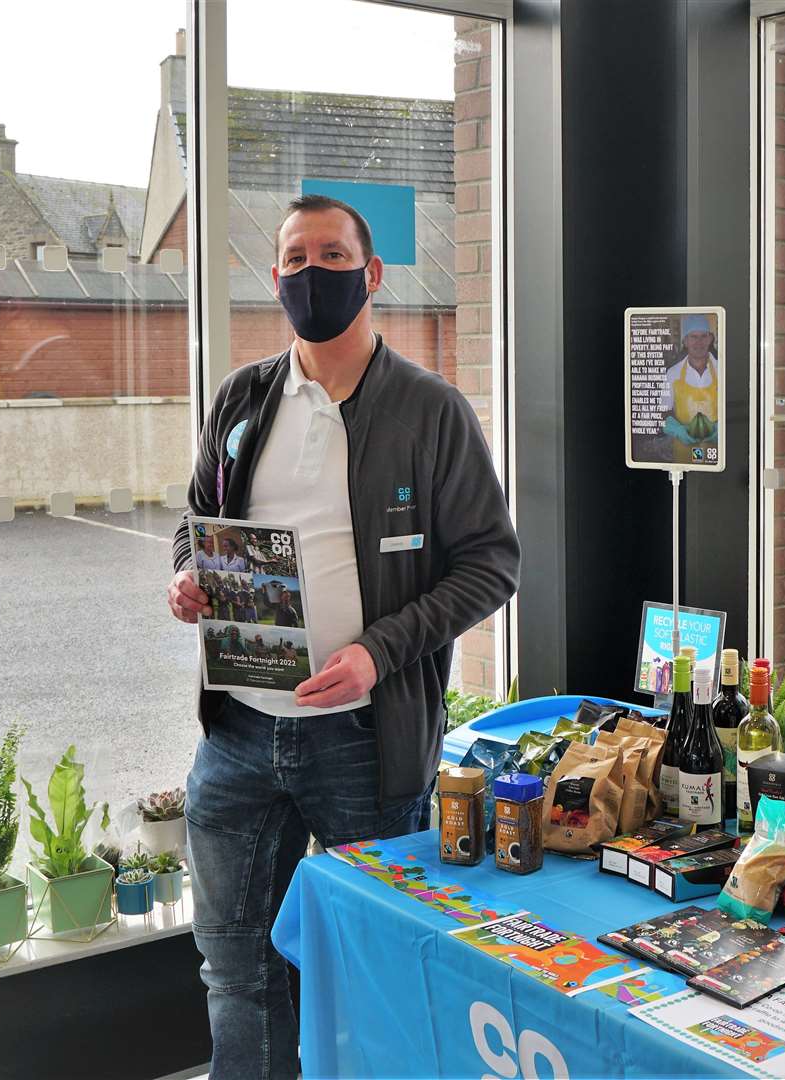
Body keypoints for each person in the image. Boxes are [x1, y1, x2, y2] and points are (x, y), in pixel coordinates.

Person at [165, 192, 519, 1078]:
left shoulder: (430, 412)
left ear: (371, 275)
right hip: (238, 735)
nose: (308, 273)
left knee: (373, 965)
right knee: (233, 966)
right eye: (292, 258)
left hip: (364, 742)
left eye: (329, 256)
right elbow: (197, 518)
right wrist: (188, 575)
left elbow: (490, 564)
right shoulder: (243, 398)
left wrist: (377, 651)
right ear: (274, 275)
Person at [659, 312, 719, 464]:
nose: (699, 342)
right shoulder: (672, 374)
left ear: (710, 339)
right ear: (685, 341)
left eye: (703, 336)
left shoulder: (723, 370)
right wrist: (678, 430)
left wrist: (721, 429)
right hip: (683, 450)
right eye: (693, 337)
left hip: (717, 451)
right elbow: (662, 413)